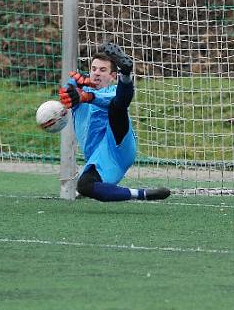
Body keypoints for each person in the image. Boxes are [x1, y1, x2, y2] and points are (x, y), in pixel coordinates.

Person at [58, 43, 170, 201]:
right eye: (94, 69)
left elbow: (116, 99)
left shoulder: (111, 91)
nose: (96, 73)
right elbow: (68, 88)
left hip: (119, 144)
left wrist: (87, 97)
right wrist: (74, 84)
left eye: (102, 70)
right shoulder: (79, 94)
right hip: (100, 156)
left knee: (117, 106)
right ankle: (142, 194)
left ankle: (126, 71)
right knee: (84, 185)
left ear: (112, 76)